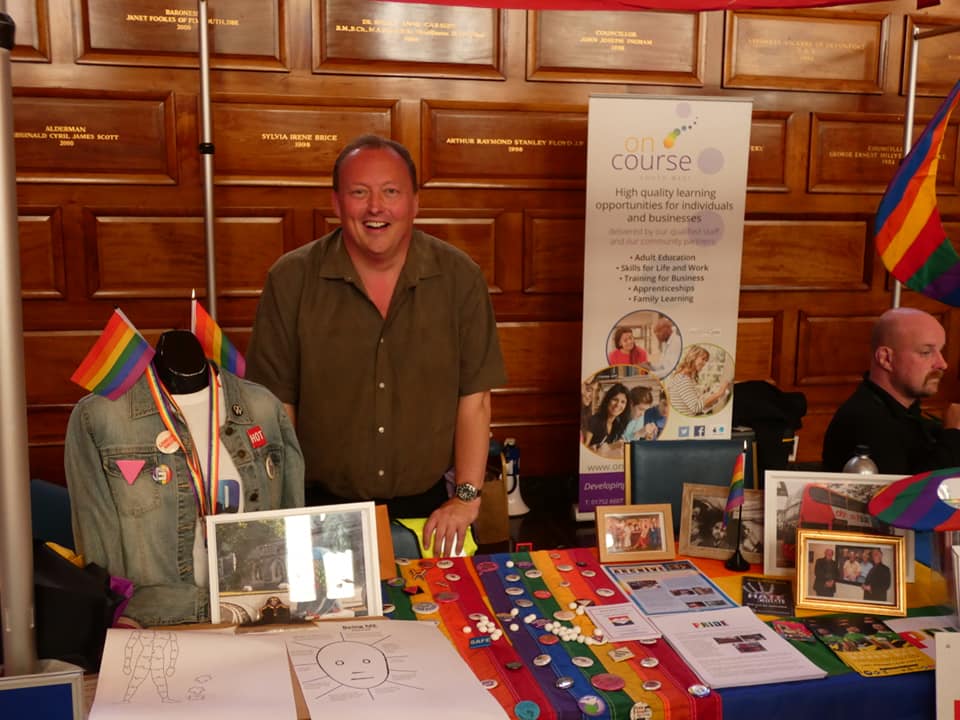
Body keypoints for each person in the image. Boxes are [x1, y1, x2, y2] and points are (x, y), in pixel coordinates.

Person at [245, 135, 506, 557]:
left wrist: (466, 498)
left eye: (391, 192)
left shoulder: (460, 278)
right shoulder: (290, 280)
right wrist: (287, 509)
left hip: (430, 514)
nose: (375, 208)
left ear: (415, 202)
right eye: (359, 192)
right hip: (319, 512)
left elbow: (474, 400)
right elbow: (276, 409)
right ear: (336, 202)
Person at [65, 331, 304, 626]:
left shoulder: (262, 407)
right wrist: (115, 620)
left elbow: (292, 519)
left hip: (253, 618)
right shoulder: (100, 417)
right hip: (155, 624)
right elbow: (97, 543)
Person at [822, 307, 960, 474]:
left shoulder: (908, 416)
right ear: (886, 358)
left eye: (940, 351)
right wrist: (954, 434)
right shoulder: (865, 421)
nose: (942, 364)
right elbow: (914, 488)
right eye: (926, 352)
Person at [666, 345, 730, 416]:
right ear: (693, 357)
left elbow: (693, 403)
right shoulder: (683, 379)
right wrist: (720, 393)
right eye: (703, 359)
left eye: (706, 360)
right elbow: (696, 407)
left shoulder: (686, 377)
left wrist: (710, 396)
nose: (705, 363)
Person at [582, 382, 631, 458]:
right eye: (615, 399)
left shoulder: (618, 424)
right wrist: (592, 449)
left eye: (623, 402)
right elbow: (584, 449)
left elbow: (609, 448)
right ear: (608, 400)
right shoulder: (594, 420)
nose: (618, 405)